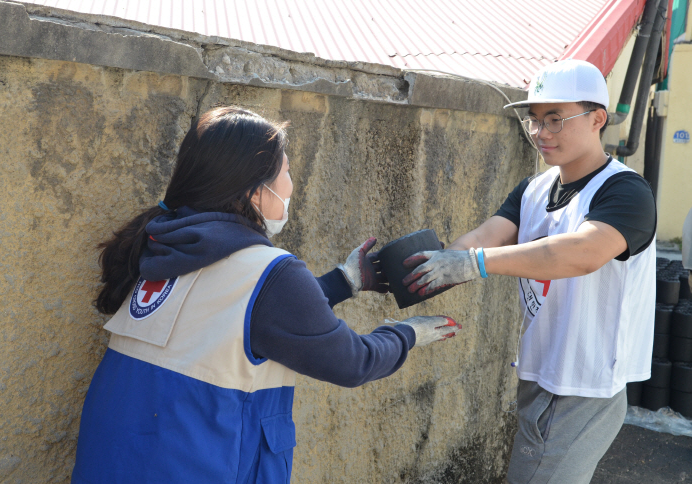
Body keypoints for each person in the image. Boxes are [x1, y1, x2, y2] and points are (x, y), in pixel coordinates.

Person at [71, 106, 460, 483]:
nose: (292, 185)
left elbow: (245, 321)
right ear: (256, 192)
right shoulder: (270, 271)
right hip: (200, 465)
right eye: (288, 172)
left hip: (114, 463)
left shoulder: (162, 246)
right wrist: (408, 334)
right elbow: (351, 362)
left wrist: (344, 281)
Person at [402, 60, 657, 483]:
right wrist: (425, 271)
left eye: (555, 118)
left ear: (597, 119)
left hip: (582, 383)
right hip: (541, 373)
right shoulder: (535, 188)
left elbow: (581, 253)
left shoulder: (625, 190)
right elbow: (484, 237)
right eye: (534, 120)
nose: (541, 132)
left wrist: (474, 264)